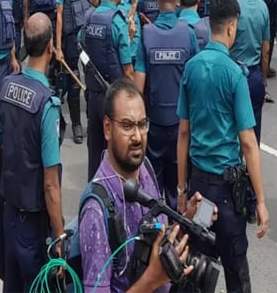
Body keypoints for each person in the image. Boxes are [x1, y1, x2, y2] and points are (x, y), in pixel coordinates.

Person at [78, 79, 211, 293]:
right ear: (107, 128)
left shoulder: (145, 168)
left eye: (142, 124)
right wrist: (151, 279)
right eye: (127, 126)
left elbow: (160, 231)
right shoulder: (96, 211)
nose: (138, 137)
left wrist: (186, 218)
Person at [176, 0, 269, 292]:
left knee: (198, 267)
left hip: (200, 192)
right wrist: (262, 202)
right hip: (227, 195)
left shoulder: (191, 68)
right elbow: (249, 144)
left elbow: (183, 135)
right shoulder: (235, 75)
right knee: (235, 269)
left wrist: (181, 190)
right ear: (231, 27)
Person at [0, 13, 64, 293]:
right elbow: (50, 184)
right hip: (33, 223)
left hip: (9, 213)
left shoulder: (7, 87)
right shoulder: (48, 104)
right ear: (49, 48)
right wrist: (59, 234)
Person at [134, 0, 199, 207]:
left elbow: (138, 88)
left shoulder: (147, 34)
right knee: (178, 192)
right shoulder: (188, 34)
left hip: (154, 129)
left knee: (151, 192)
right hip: (181, 128)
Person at [82, 0, 136, 180]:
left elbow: (81, 43)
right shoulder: (117, 22)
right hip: (113, 99)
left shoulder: (90, 17)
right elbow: (128, 70)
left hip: (92, 95)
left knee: (94, 151)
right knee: (114, 154)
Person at [55, 0, 94, 145]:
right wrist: (58, 46)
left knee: (91, 78)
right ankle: (77, 124)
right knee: (74, 83)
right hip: (71, 38)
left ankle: (91, 120)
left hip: (88, 36)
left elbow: (96, 3)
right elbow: (59, 14)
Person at [230, 0, 270, 144]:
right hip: (254, 75)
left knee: (232, 131)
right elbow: (265, 50)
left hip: (234, 74)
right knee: (254, 133)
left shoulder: (231, 8)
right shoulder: (262, 6)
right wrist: (263, 79)